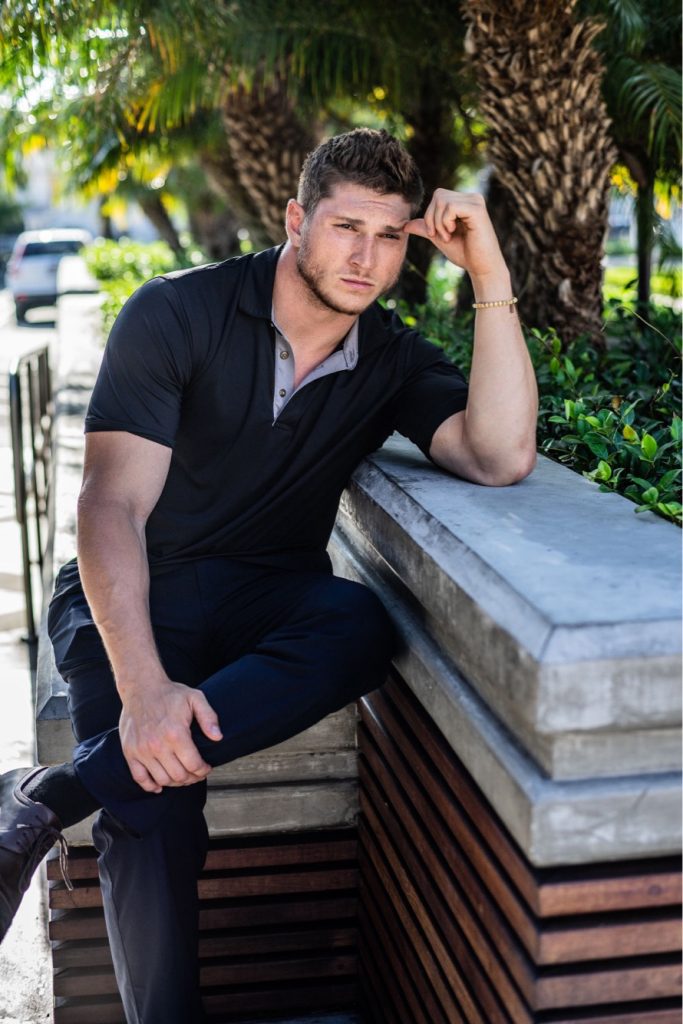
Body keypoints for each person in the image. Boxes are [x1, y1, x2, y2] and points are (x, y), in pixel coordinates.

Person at [0, 127, 538, 1021]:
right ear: (296, 219)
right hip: (138, 586)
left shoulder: (392, 357)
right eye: (345, 227)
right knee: (154, 807)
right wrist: (145, 691)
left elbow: (500, 455)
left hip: (265, 594)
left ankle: (48, 795)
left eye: (390, 236)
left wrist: (490, 272)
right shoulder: (177, 312)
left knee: (359, 627)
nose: (365, 257)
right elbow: (110, 508)